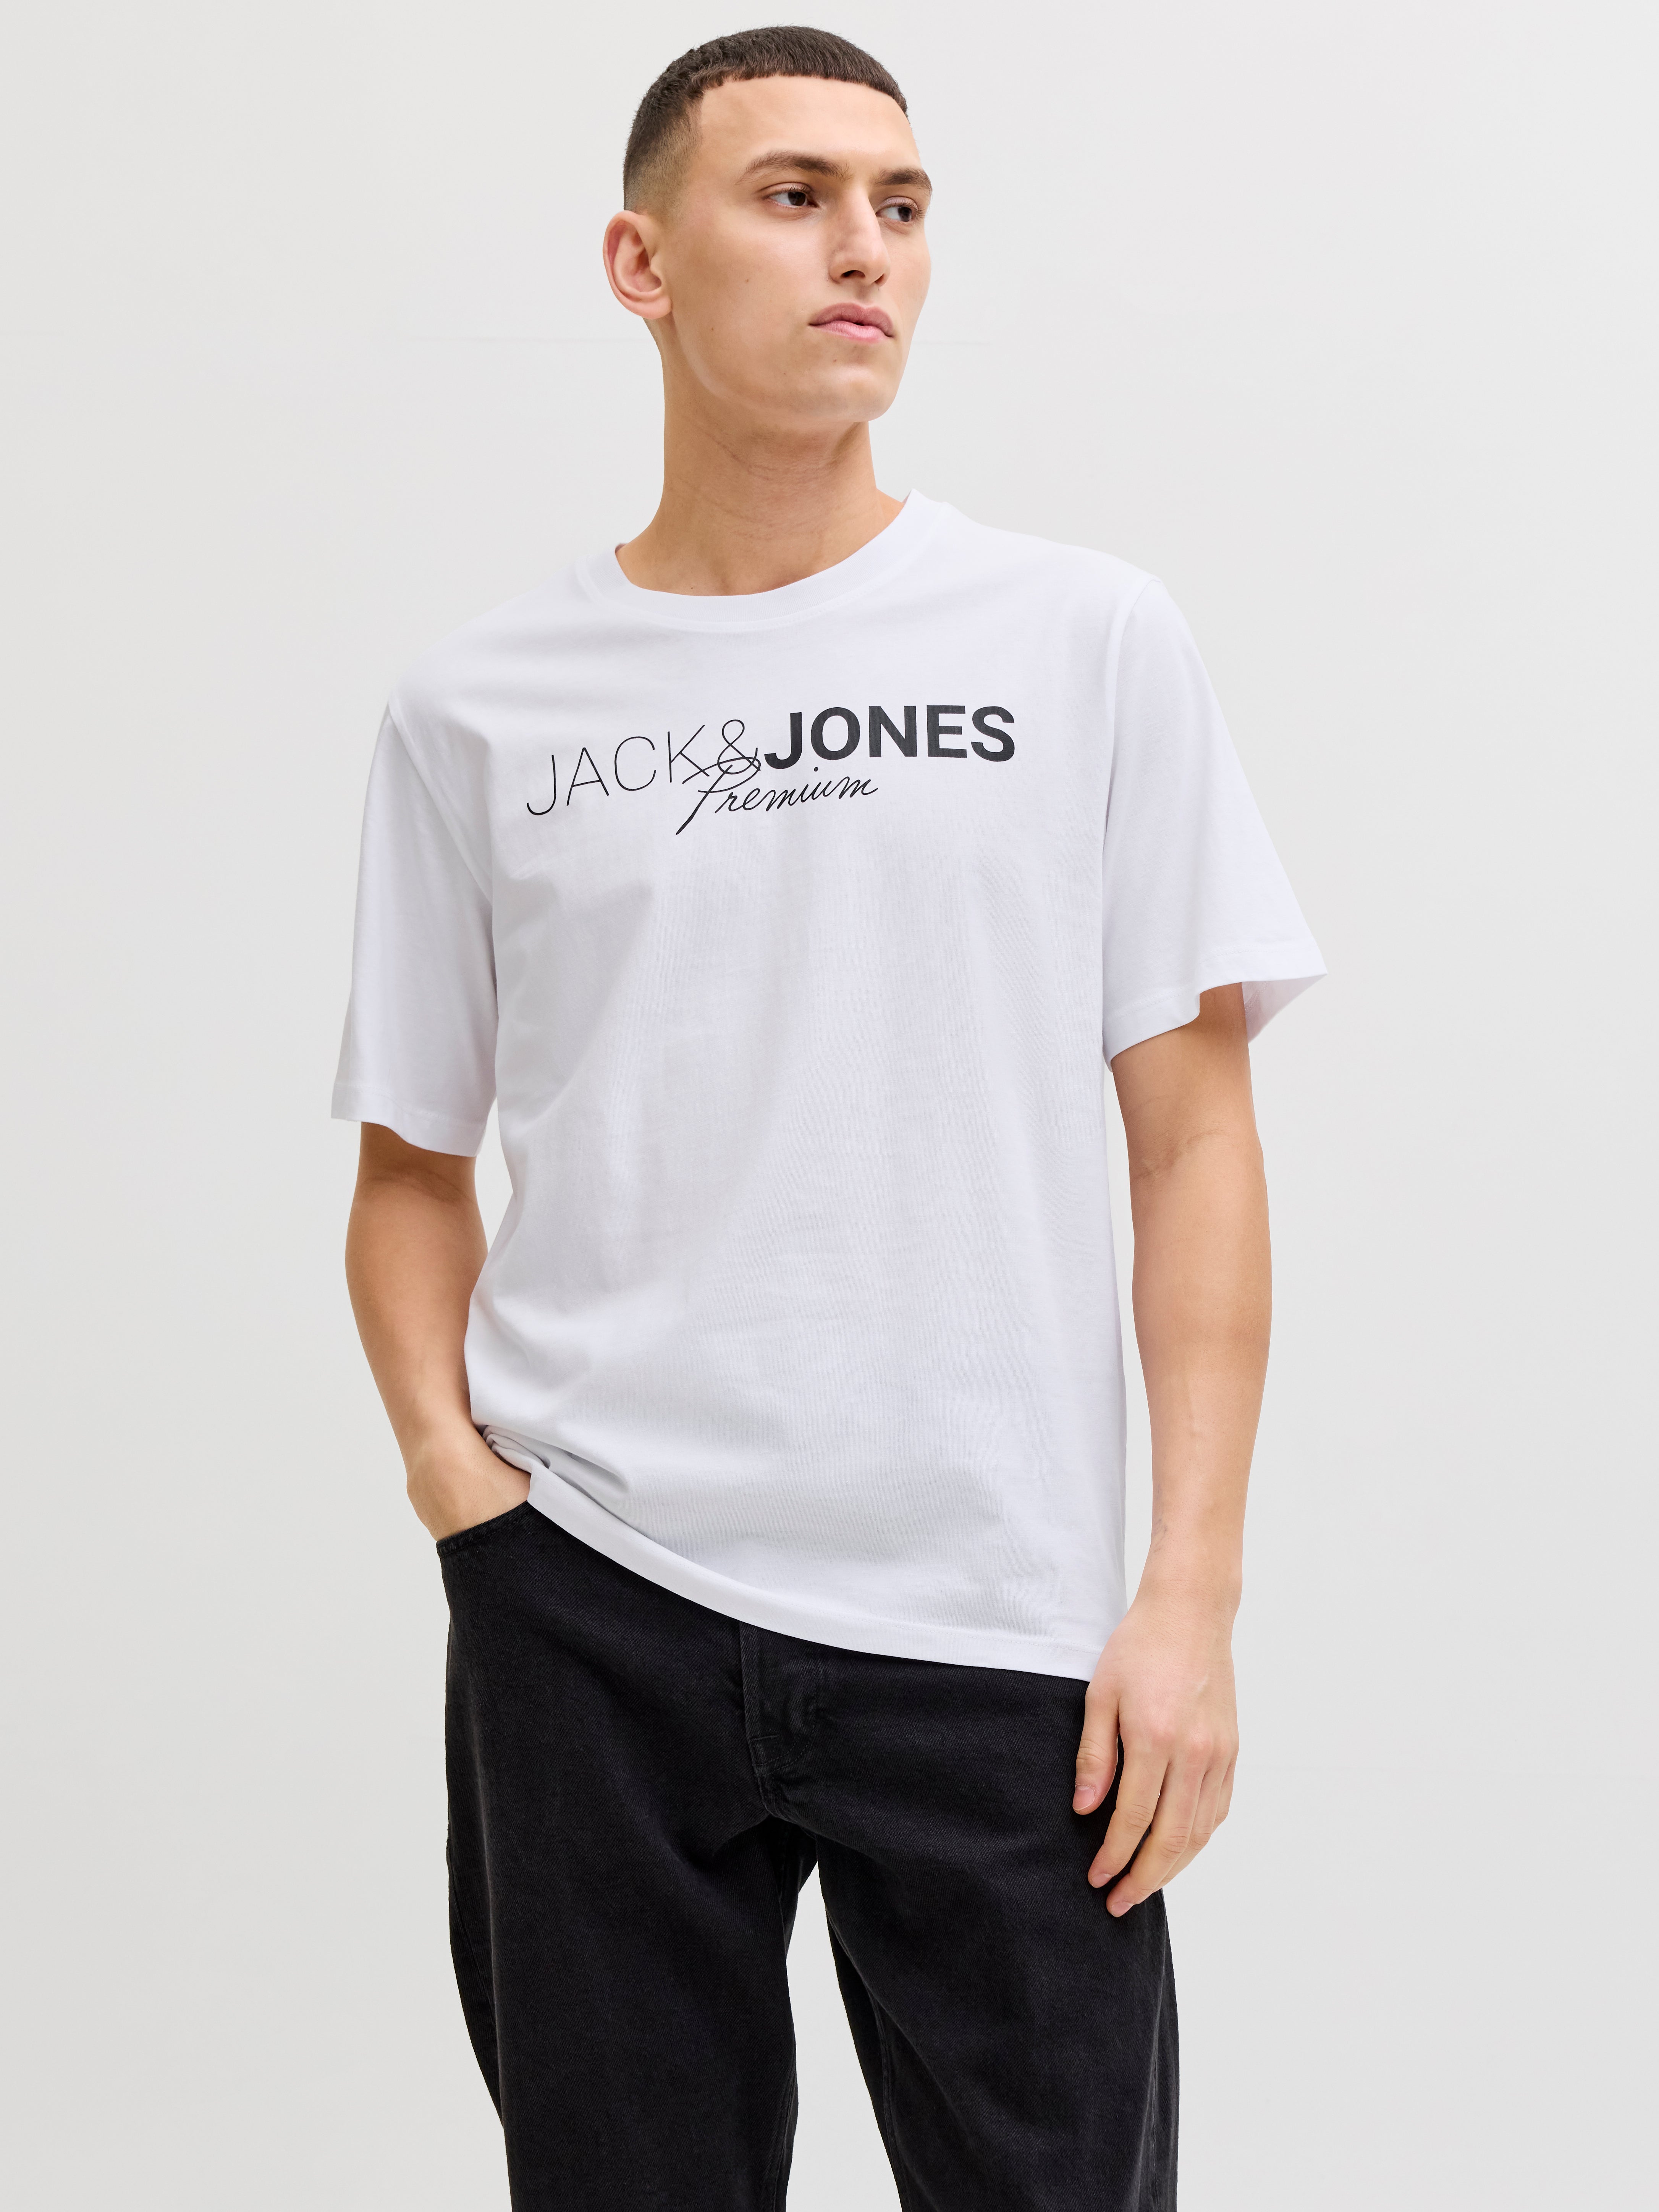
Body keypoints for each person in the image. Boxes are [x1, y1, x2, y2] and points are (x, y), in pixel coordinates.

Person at [333, 26, 1323, 2210]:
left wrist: (1188, 1595)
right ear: (642, 263)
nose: (863, 248)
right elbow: (409, 1165)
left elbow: (1194, 1141)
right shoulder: (478, 709)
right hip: (591, 1605)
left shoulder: (1082, 641)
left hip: (996, 1617)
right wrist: (462, 1497)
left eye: (900, 205)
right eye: (791, 198)